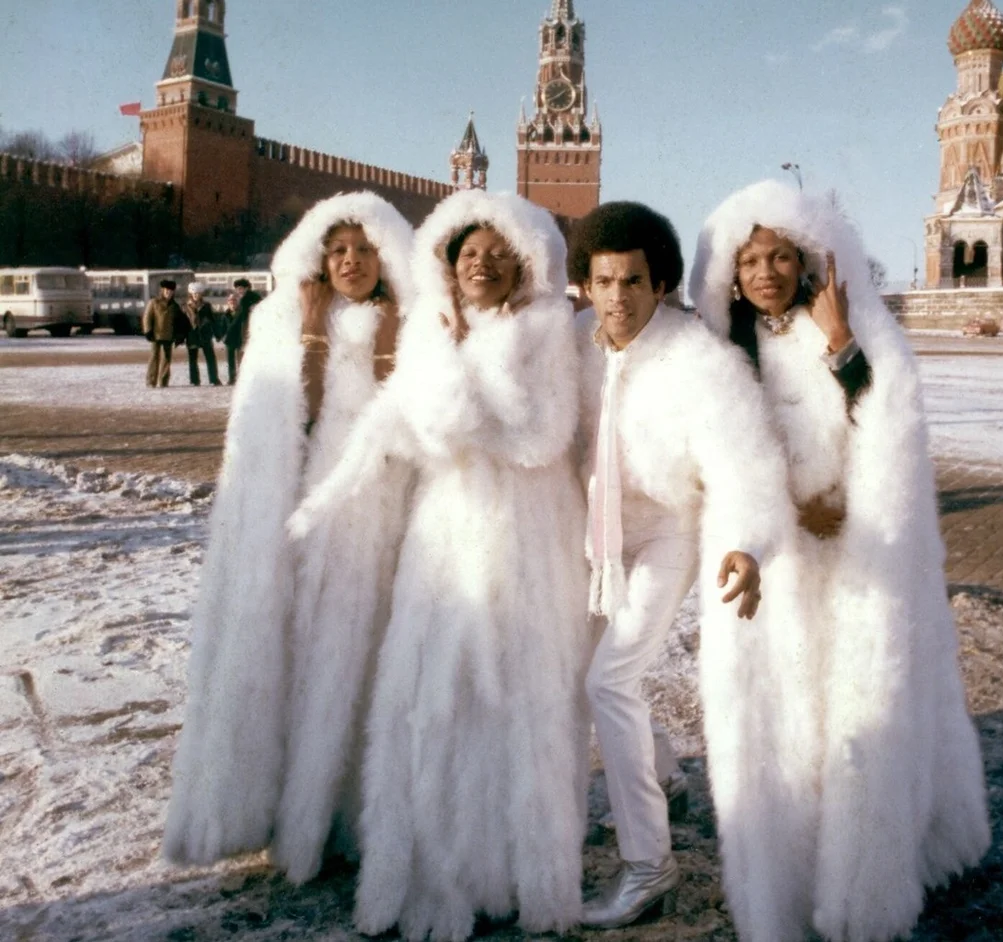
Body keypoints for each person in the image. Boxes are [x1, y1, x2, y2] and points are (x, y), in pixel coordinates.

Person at [690, 178, 991, 942]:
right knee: (785, 723)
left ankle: (865, 879)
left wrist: (840, 346)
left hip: (852, 566)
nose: (764, 272)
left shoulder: (856, 327)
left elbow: (888, 427)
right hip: (772, 568)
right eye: (750, 259)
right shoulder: (727, 349)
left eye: (779, 256)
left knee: (856, 717)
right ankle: (786, 883)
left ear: (806, 258)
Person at [291, 190, 591, 940]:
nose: (481, 265)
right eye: (467, 254)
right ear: (447, 265)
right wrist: (451, 372)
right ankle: (428, 866)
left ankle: (515, 872)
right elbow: (419, 434)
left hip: (526, 537)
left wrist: (457, 391)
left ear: (522, 260)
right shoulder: (430, 329)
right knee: (432, 699)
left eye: (496, 253)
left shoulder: (548, 328)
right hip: (447, 531)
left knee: (522, 702)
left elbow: (542, 436)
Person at [162, 192, 415, 882]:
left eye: (365, 251)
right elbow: (279, 425)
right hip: (305, 516)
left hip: (377, 516)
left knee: (362, 660)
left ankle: (352, 812)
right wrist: (311, 331)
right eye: (339, 252)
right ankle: (289, 808)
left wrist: (389, 342)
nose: (353, 262)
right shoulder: (282, 322)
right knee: (303, 655)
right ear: (318, 258)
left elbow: (413, 422)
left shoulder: (408, 319)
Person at [567, 202, 794, 929]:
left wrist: (748, 544)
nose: (618, 297)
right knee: (586, 676)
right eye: (604, 281)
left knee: (610, 681)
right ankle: (661, 771)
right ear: (586, 284)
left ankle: (649, 868)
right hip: (598, 535)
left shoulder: (695, 355)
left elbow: (746, 456)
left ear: (658, 282)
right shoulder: (576, 342)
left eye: (633, 281)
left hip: (669, 532)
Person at [141, 279, 184, 387]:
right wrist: (147, 331)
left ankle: (164, 381)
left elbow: (179, 322)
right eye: (166, 291)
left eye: (170, 292)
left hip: (168, 336)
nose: (168, 293)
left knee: (166, 359)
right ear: (163, 291)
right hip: (156, 335)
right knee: (154, 358)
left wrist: (179, 335)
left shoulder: (175, 306)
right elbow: (147, 317)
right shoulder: (154, 302)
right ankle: (151, 381)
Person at [182, 282, 222, 386]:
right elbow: (181, 322)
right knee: (192, 359)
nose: (196, 295)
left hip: (205, 335)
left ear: (201, 294)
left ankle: (214, 379)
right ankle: (194, 380)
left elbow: (213, 320)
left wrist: (217, 334)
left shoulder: (207, 306)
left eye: (198, 293)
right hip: (192, 335)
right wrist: (180, 337)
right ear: (191, 294)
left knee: (210, 358)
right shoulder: (185, 306)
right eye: (194, 293)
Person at [224, 277, 262, 384]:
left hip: (248, 330)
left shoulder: (247, 299)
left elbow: (240, 317)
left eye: (241, 288)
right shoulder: (250, 298)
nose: (239, 291)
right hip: (246, 330)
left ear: (246, 288)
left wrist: (230, 331)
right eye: (237, 289)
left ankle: (239, 378)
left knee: (244, 355)